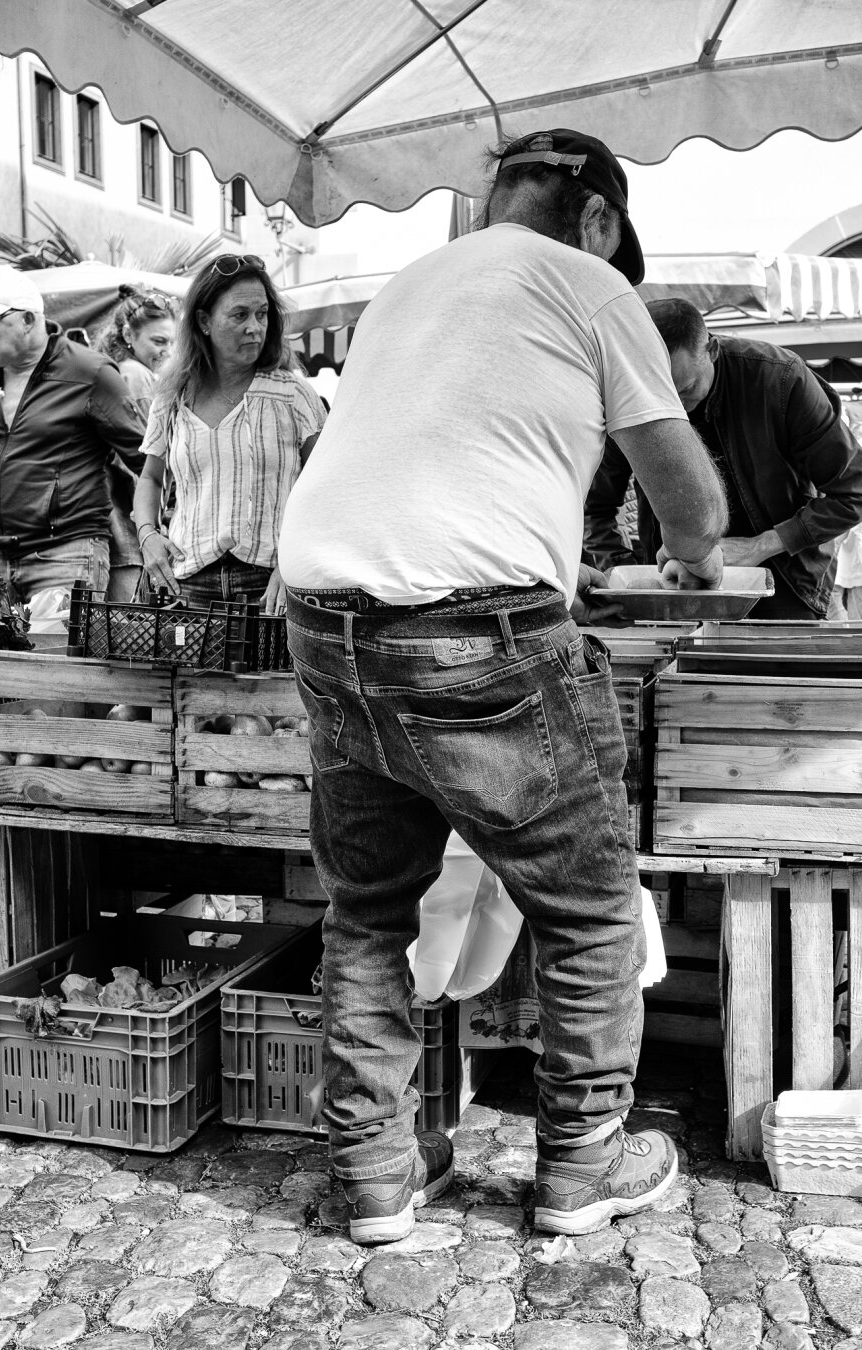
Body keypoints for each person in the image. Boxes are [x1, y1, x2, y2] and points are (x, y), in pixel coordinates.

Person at [278, 128, 728, 1246]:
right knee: (585, 911)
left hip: (328, 622)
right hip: (480, 633)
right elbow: (694, 506)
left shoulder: (404, 289)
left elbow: (426, 456)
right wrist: (699, 556)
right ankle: (581, 1163)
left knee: (368, 911)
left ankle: (375, 1174)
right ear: (598, 222)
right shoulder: (590, 280)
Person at [583, 298, 862, 619]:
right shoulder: (631, 396)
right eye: (661, 396)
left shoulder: (782, 381)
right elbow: (596, 509)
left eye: (685, 390)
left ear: (711, 350)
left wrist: (760, 546)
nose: (676, 409)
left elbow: (853, 493)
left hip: (788, 588)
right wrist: (630, 579)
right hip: (674, 594)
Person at [132, 254, 325, 613]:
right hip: (186, 581)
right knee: (183, 672)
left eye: (262, 314)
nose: (255, 327)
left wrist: (292, 566)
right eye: (240, 315)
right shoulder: (173, 397)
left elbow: (326, 489)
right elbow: (151, 479)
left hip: (270, 584)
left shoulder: (293, 396)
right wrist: (147, 536)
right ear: (204, 321)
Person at [0, 265, 146, 603]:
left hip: (65, 554)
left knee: (51, 656)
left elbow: (144, 456)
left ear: (29, 320)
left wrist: (154, 530)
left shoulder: (89, 371)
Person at [96, 286, 179, 602]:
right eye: (158, 341)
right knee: (132, 628)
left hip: (128, 522)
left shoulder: (125, 370)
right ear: (128, 335)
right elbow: (140, 458)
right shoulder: (135, 375)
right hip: (130, 525)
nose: (167, 351)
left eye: (172, 342)